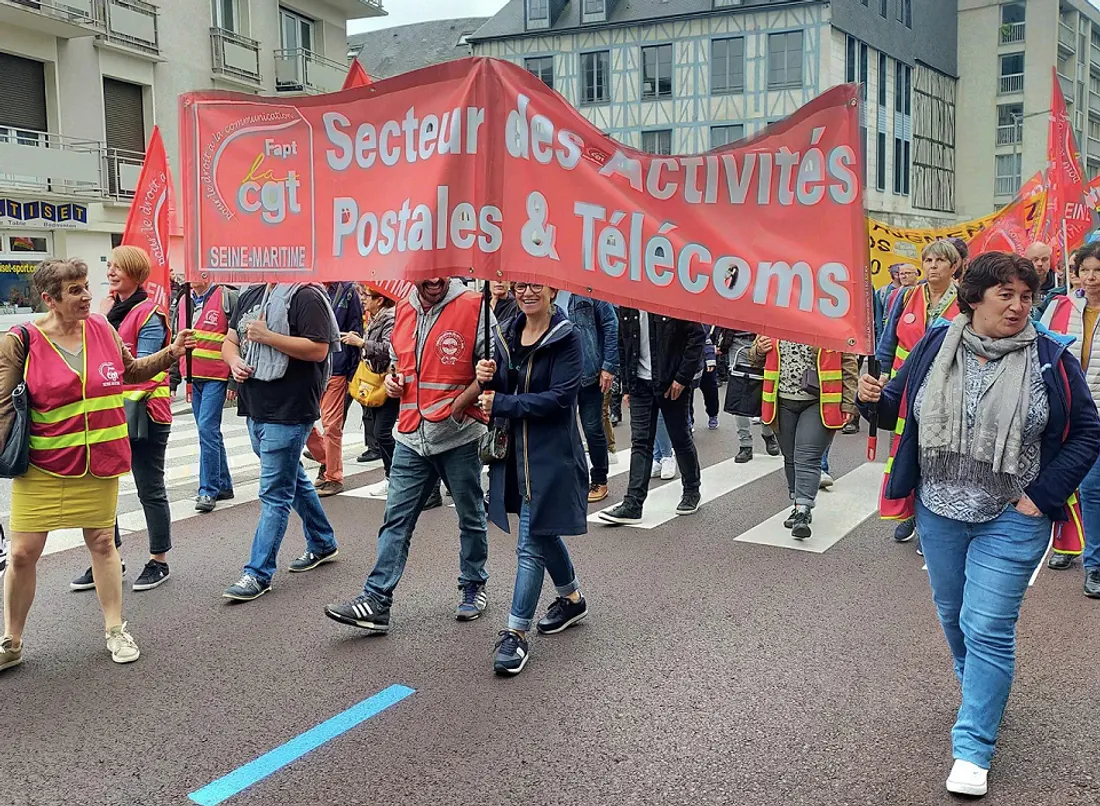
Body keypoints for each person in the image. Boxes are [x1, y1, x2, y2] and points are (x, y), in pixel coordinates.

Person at [857, 252, 1100, 797]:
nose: (1018, 307)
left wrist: (1042, 495)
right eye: (1005, 295)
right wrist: (870, 398)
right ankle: (981, 690)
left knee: (987, 625)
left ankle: (973, 745)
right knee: (953, 614)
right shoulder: (933, 346)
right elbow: (898, 406)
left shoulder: (1050, 358)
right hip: (939, 511)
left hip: (1013, 516)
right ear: (974, 299)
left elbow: (1087, 432)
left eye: (1026, 296)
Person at [0, 258, 194, 671]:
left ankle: (114, 628)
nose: (87, 296)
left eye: (86, 287)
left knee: (103, 543)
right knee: (22, 554)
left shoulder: (103, 329)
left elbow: (130, 371)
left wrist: (171, 353)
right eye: (75, 290)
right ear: (50, 300)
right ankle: (11, 640)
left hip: (99, 463)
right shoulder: (22, 340)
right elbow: (3, 407)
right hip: (43, 465)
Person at [324, 277, 492, 632]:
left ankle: (473, 583)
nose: (431, 280)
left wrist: (459, 408)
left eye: (438, 273)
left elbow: (493, 370)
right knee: (395, 520)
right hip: (412, 433)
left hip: (457, 435)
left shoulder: (475, 305)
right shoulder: (403, 308)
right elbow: (400, 367)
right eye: (423, 274)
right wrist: (393, 383)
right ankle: (376, 599)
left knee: (471, 516)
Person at [476, 283, 588, 675]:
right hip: (516, 457)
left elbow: (559, 400)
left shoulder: (567, 338)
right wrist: (488, 377)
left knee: (529, 544)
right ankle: (572, 599)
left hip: (551, 459)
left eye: (535, 285)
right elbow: (502, 390)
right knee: (541, 531)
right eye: (521, 285)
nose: (526, 292)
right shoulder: (507, 334)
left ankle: (516, 633)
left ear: (552, 289)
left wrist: (503, 401)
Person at [220, 283, 342, 601]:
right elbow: (230, 341)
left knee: (274, 493)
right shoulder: (251, 294)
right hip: (255, 404)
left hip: (291, 407)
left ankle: (258, 572)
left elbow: (319, 348)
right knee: (292, 478)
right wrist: (234, 361)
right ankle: (322, 541)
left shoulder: (306, 295)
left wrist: (268, 337)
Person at [71, 246, 175, 593]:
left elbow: (142, 366)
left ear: (134, 272)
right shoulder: (104, 310)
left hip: (146, 412)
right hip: (109, 414)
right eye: (110, 266)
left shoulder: (149, 313)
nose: (111, 272)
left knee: (149, 487)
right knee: (103, 488)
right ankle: (109, 554)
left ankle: (159, 561)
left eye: (118, 267)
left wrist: (99, 324)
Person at [877, 239, 962, 544]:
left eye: (940, 261)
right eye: (928, 261)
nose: (933, 266)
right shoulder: (906, 295)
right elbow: (888, 338)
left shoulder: (964, 300)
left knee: (937, 450)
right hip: (905, 385)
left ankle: (931, 516)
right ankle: (908, 514)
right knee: (903, 447)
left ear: (955, 267)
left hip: (945, 385)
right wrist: (884, 374)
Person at [599, 309, 704, 524]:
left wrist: (682, 378)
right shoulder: (628, 305)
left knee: (680, 437)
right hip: (639, 384)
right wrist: (627, 385)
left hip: (670, 382)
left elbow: (697, 337)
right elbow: (623, 343)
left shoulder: (671, 299)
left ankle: (692, 490)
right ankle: (633, 504)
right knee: (640, 442)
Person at [749, 337, 858, 539]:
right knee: (790, 457)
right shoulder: (773, 317)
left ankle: (803, 510)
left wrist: (849, 402)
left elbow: (848, 361)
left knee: (807, 457)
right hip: (781, 401)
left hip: (818, 401)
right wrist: (758, 350)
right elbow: (753, 358)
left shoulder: (830, 318)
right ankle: (796, 501)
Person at [1040, 242, 1100, 597]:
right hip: (1069, 413)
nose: (1092, 278)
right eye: (1086, 270)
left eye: (1098, 271)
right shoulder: (1060, 307)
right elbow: (1042, 348)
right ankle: (1067, 546)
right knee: (1066, 486)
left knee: (1092, 490)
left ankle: (1094, 565)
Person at [181, 278, 239, 513]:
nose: (190, 276)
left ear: (207, 274)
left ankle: (208, 490)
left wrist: (234, 379)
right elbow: (180, 339)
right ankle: (224, 484)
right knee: (209, 432)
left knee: (207, 429)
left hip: (217, 375)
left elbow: (238, 340)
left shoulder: (226, 297)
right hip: (193, 376)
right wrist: (179, 378)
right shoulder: (185, 299)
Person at [304, 282, 362, 496]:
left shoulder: (346, 292)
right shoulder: (308, 289)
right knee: (303, 420)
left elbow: (356, 328)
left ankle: (333, 475)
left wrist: (352, 369)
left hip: (336, 366)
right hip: (311, 365)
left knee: (331, 425)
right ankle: (329, 462)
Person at [343, 287, 398, 499]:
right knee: (378, 431)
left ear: (380, 299)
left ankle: (395, 477)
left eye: (368, 296)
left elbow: (389, 348)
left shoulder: (389, 318)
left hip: (387, 380)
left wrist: (363, 343)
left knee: (383, 432)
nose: (364, 300)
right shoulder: (375, 318)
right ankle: (393, 476)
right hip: (373, 381)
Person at [566, 292, 618, 503]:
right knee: (563, 431)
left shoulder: (590, 289)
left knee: (592, 427)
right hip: (559, 376)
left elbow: (610, 324)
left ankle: (599, 479)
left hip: (589, 372)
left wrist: (609, 366)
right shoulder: (547, 289)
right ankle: (573, 480)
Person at [718, 329, 780, 462]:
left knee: (767, 391)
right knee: (740, 394)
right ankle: (745, 445)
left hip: (766, 338)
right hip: (737, 342)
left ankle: (768, 433)